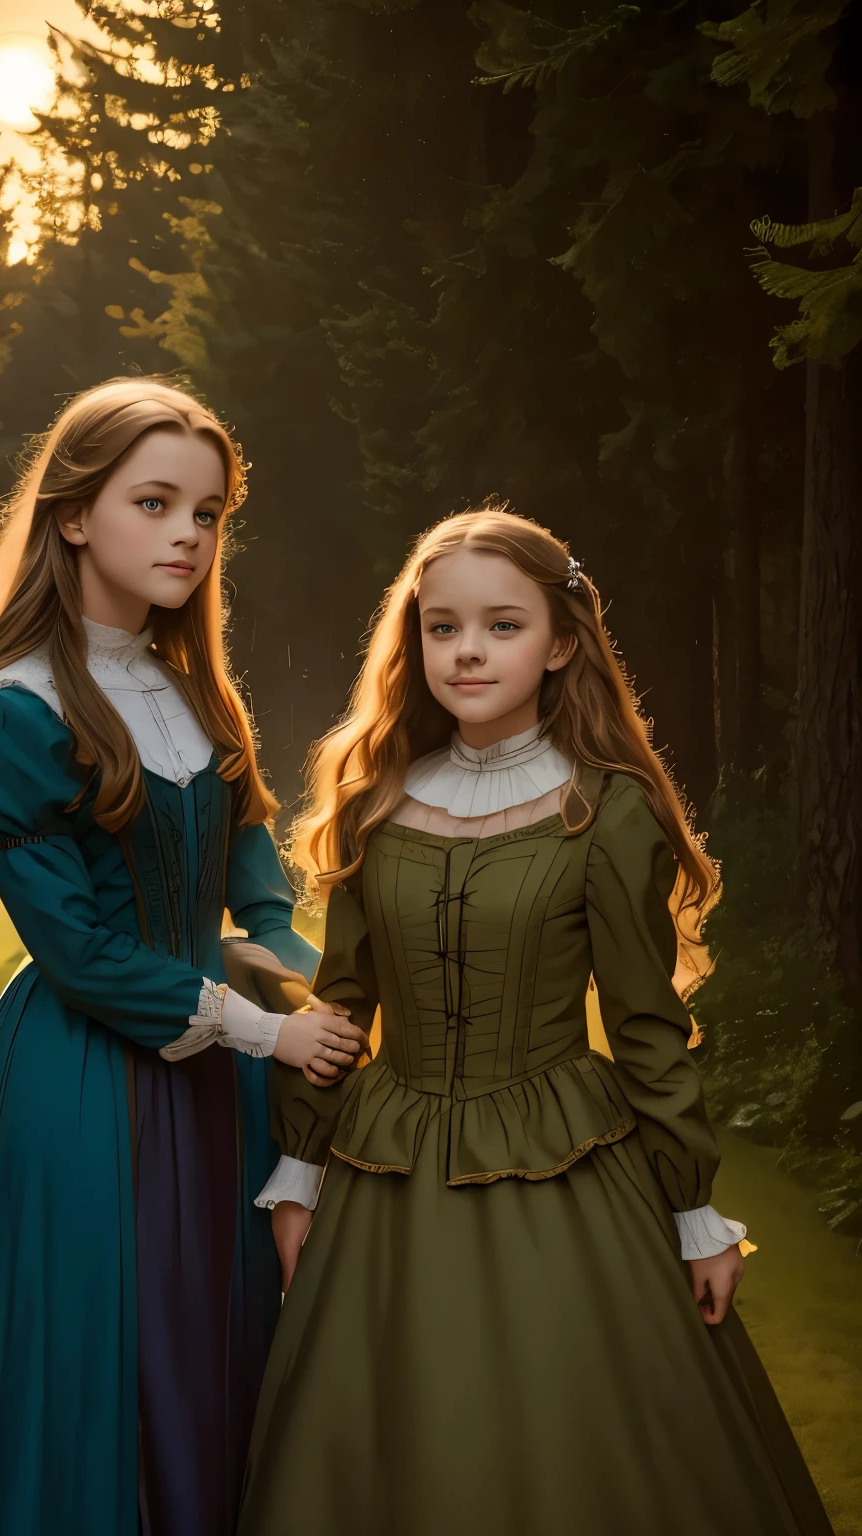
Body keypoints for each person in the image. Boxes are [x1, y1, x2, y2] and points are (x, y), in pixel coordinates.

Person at [239, 507, 834, 1536]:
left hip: (567, 1158)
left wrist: (696, 1217)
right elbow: (342, 1005)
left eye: (502, 626)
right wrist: (297, 1175)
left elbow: (647, 1031)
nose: (467, 650)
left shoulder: (606, 810)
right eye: (442, 627)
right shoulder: (376, 800)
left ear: (560, 643)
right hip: (386, 1175)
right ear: (413, 639)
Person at [0, 377, 364, 1536]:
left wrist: (337, 993)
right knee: (110, 1378)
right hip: (83, 1091)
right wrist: (272, 1030)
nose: (189, 532)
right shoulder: (14, 710)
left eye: (209, 512)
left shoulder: (195, 695)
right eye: (155, 502)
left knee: (228, 1358)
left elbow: (257, 903)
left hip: (223, 1085)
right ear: (75, 515)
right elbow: (82, 953)